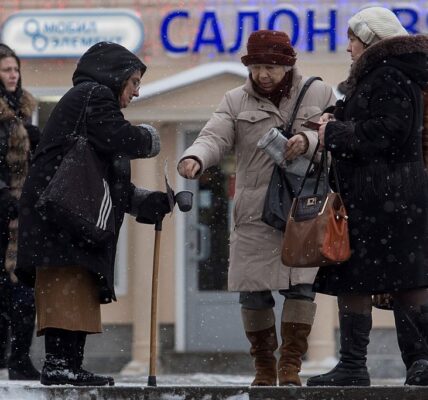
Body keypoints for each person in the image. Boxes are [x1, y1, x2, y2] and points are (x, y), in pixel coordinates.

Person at [177, 30, 336, 386]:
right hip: (255, 213)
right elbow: (214, 136)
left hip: (304, 210)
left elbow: (336, 138)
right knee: (253, 292)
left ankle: (290, 366)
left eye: (272, 67)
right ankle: (264, 368)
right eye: (256, 67)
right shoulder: (235, 100)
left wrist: (308, 140)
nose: (263, 75)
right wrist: (195, 157)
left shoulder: (319, 93)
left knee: (301, 288)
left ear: (288, 65)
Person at [14, 41, 172, 386]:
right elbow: (120, 138)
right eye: (134, 82)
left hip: (65, 220)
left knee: (79, 291)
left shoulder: (90, 105)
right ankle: (60, 365)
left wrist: (145, 202)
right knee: (66, 288)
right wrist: (148, 138)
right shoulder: (93, 94)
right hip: (60, 221)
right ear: (115, 75)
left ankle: (70, 364)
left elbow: (106, 178)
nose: (136, 92)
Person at [306, 7, 428, 387]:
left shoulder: (389, 74)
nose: (348, 47)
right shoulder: (383, 74)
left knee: (396, 280)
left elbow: (389, 130)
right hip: (380, 198)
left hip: (387, 198)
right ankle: (373, 365)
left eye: (353, 39)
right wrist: (334, 117)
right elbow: (372, 121)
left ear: (371, 39)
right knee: (367, 279)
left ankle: (403, 363)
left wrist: (334, 134)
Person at [0, 44, 41, 380]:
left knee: (23, 288)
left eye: (15, 69)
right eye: (6, 70)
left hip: (20, 214)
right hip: (4, 210)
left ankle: (19, 358)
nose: (13, 75)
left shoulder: (24, 110)